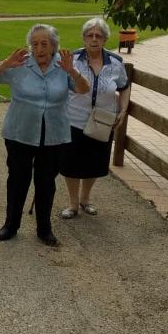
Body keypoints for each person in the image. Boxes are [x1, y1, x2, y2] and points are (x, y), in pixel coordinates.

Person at [0, 24, 89, 246]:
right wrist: (6, 63)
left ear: (53, 46)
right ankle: (11, 224)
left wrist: (72, 71)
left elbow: (83, 89)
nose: (39, 48)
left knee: (46, 182)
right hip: (20, 131)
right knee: (18, 180)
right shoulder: (21, 62)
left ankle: (44, 228)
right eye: (35, 44)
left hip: (53, 133)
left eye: (44, 44)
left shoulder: (63, 65)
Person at [59, 18, 130, 219]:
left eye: (99, 36)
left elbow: (124, 87)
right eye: (90, 35)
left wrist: (123, 110)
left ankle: (86, 198)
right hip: (74, 119)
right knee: (71, 163)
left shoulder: (115, 63)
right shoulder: (73, 59)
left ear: (105, 40)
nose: (94, 39)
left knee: (94, 162)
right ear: (84, 38)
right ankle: (73, 203)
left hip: (102, 121)